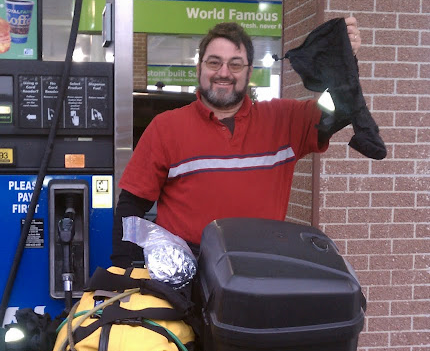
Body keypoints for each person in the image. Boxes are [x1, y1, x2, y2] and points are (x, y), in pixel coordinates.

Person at [112, 19, 362, 267]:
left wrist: (344, 61)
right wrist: (121, 269)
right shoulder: (166, 127)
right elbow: (131, 206)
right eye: (214, 62)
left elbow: (339, 110)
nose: (224, 73)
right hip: (185, 274)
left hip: (259, 273)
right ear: (199, 68)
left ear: (249, 72)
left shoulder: (285, 121)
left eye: (235, 64)